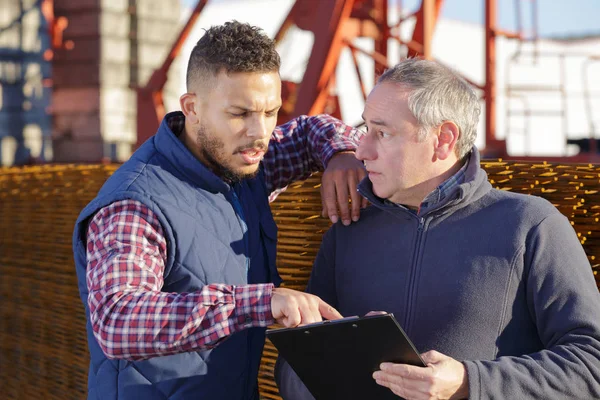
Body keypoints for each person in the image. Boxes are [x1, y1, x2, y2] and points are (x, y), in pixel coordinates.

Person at [72, 21, 368, 400]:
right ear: (192, 108)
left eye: (271, 111)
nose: (259, 132)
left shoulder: (244, 161)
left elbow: (310, 130)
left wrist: (341, 153)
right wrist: (260, 303)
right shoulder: (135, 203)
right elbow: (119, 320)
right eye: (240, 113)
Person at [275, 58, 600, 399]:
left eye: (382, 133)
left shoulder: (530, 224)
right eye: (365, 128)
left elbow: (591, 363)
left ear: (443, 139)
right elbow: (291, 363)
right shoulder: (348, 232)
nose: (362, 149)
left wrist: (469, 382)